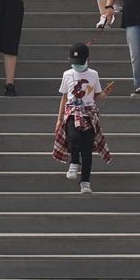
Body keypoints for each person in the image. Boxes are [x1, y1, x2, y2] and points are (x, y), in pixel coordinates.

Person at [53, 42, 113, 194]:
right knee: (74, 137)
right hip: (72, 112)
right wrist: (59, 119)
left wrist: (104, 93)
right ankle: (74, 163)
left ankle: (85, 181)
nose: (77, 66)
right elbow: (64, 97)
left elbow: (95, 97)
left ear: (88, 60)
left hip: (88, 113)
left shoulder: (93, 74)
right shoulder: (67, 74)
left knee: (87, 149)